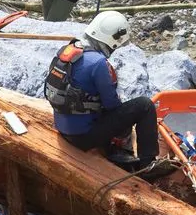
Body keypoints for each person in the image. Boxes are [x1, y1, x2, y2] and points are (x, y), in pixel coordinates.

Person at [45, 11, 175, 181]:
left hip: (63, 127)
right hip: (83, 136)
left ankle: (116, 149)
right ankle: (147, 165)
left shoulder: (67, 51)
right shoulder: (98, 63)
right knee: (144, 106)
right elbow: (112, 104)